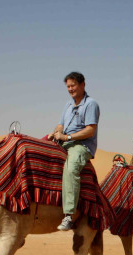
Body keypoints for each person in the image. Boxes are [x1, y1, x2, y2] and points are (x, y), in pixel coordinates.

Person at [48, 72, 100, 231]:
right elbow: (60, 124)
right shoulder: (68, 105)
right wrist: (55, 133)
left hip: (81, 145)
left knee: (71, 169)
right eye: (68, 87)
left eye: (73, 86)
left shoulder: (91, 104)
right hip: (65, 141)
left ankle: (68, 214)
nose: (70, 89)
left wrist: (67, 136)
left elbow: (90, 130)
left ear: (82, 84)